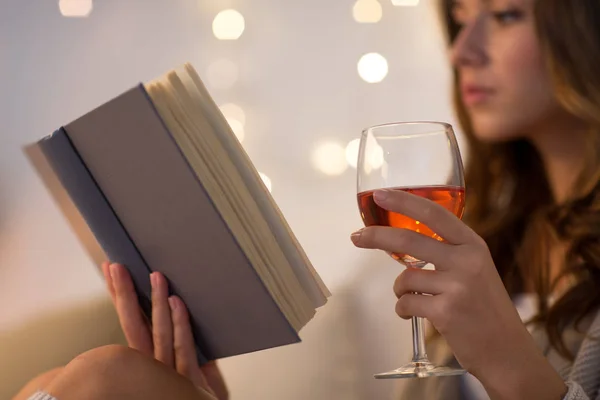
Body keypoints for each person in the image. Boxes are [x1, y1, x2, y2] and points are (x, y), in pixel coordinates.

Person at [11, 0, 600, 398]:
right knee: (84, 375)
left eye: (504, 14)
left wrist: (509, 363)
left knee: (104, 375)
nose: (462, 50)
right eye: (460, 17)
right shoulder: (494, 235)